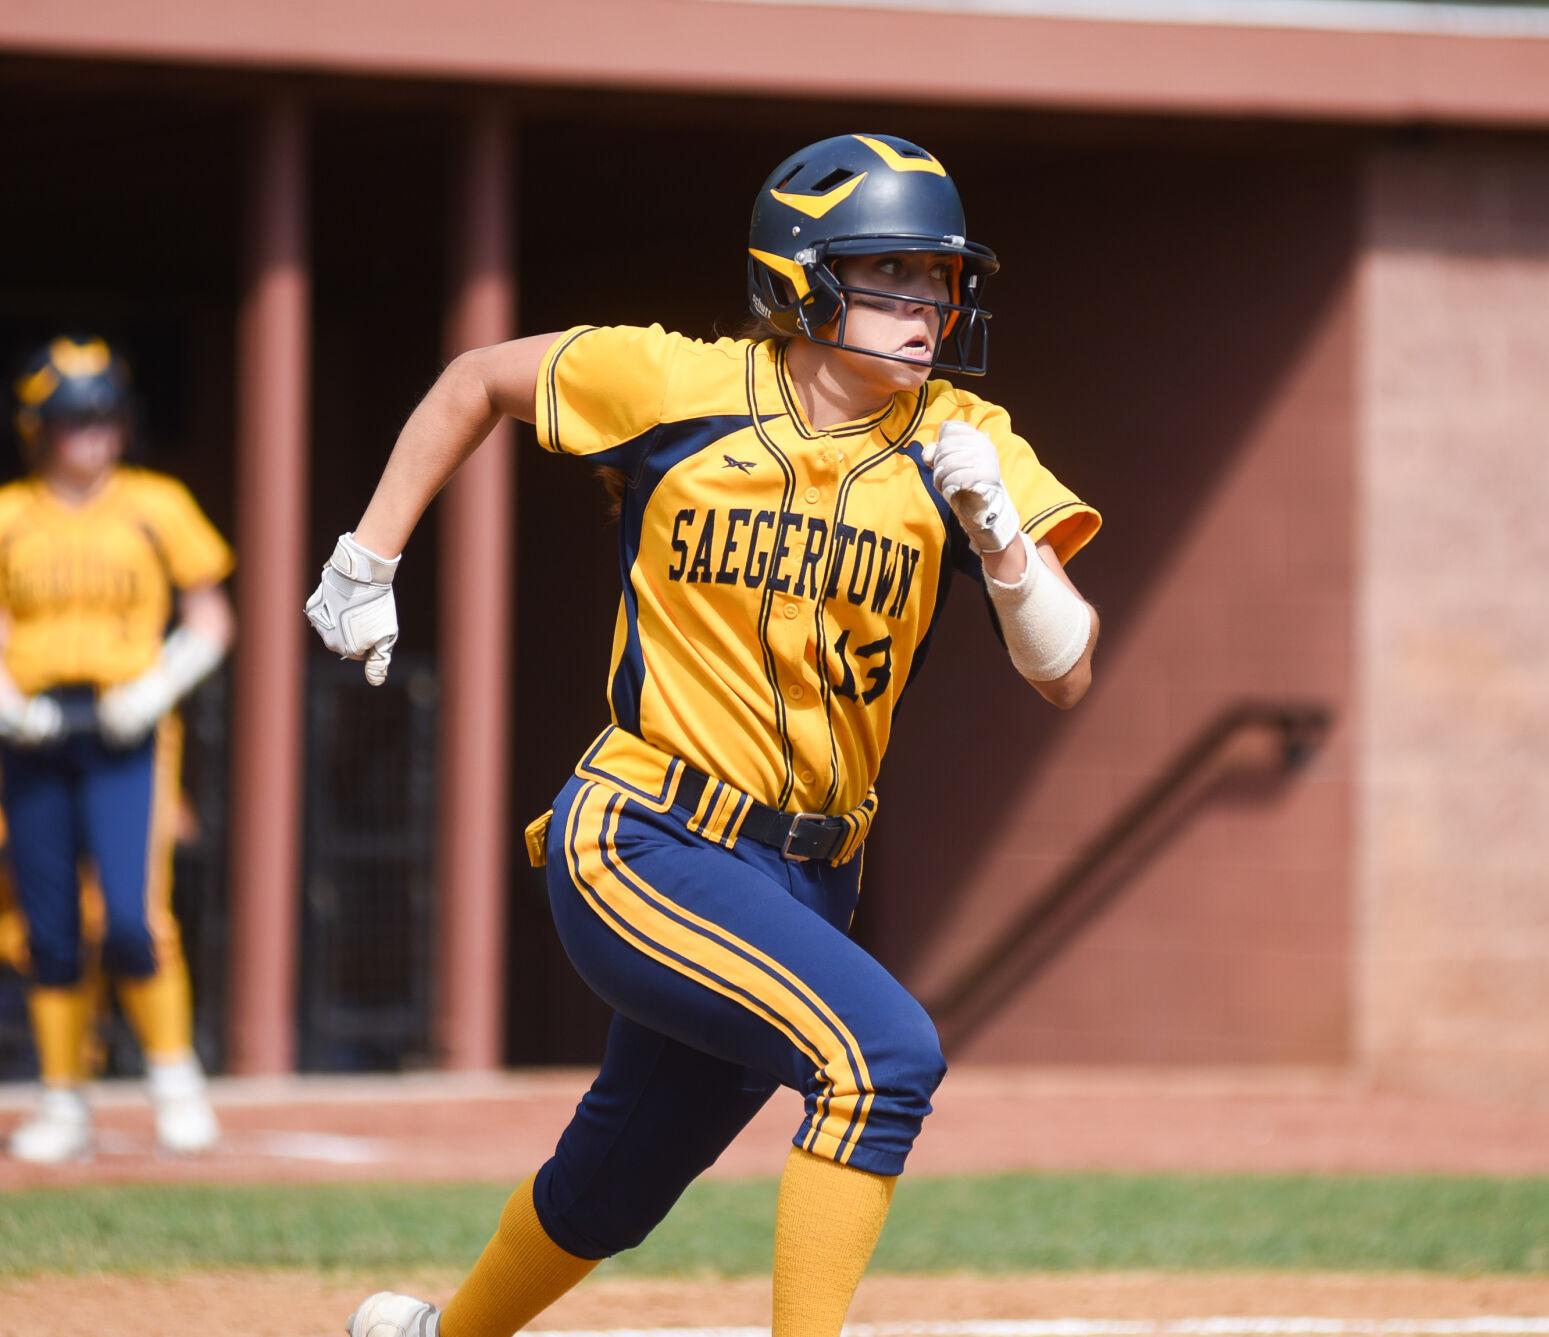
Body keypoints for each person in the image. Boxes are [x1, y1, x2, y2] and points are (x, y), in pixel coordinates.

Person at [308, 133, 1101, 1337]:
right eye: (888, 274)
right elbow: (477, 377)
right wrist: (368, 554)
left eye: (937, 280)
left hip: (810, 871)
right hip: (645, 831)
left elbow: (1068, 669)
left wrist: (998, 534)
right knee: (884, 1058)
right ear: (800, 279)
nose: (925, 307)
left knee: (620, 1178)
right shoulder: (674, 384)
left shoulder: (962, 442)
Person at [1, 335, 235, 1163]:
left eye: (102, 418)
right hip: (31, 735)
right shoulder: (10, 514)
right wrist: (8, 701)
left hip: (126, 730)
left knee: (134, 919)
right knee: (49, 928)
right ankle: (64, 1097)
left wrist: (154, 688)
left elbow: (211, 616)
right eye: (72, 421)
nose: (90, 436)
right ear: (39, 429)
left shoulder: (154, 502)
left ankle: (174, 1076)